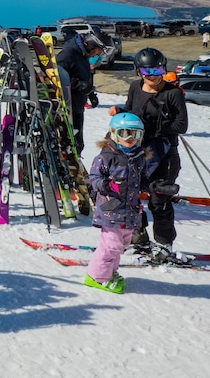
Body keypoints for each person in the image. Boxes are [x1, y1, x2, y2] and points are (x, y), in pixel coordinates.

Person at [107, 47, 189, 262]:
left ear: (164, 68)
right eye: (147, 71)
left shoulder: (172, 93)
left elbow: (182, 126)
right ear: (138, 72)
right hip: (138, 151)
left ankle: (164, 244)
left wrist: (158, 124)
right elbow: (130, 109)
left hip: (165, 155)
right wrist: (119, 111)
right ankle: (139, 238)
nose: (153, 76)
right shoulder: (135, 87)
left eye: (158, 70)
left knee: (159, 200)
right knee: (131, 195)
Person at [84, 113, 150, 294]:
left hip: (129, 210)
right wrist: (108, 185)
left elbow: (142, 180)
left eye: (135, 135)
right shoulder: (105, 157)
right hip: (110, 209)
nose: (130, 139)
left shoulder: (139, 157)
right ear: (114, 134)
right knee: (111, 245)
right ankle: (96, 277)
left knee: (121, 244)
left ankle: (109, 272)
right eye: (125, 133)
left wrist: (155, 186)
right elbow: (94, 179)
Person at [56, 30, 110, 153]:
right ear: (92, 45)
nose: (99, 54)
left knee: (78, 144)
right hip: (68, 107)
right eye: (100, 50)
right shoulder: (68, 55)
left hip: (77, 105)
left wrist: (91, 93)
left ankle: (75, 162)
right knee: (71, 144)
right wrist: (79, 85)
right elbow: (57, 76)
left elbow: (82, 77)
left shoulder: (83, 56)